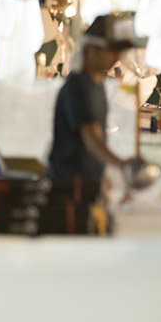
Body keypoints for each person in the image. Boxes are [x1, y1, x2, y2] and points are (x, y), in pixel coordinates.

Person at [46, 14, 137, 234]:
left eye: (119, 51)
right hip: (70, 188)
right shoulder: (78, 87)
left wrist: (103, 174)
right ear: (90, 50)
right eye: (111, 50)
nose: (117, 57)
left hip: (88, 184)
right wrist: (121, 165)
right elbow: (91, 138)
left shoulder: (97, 84)